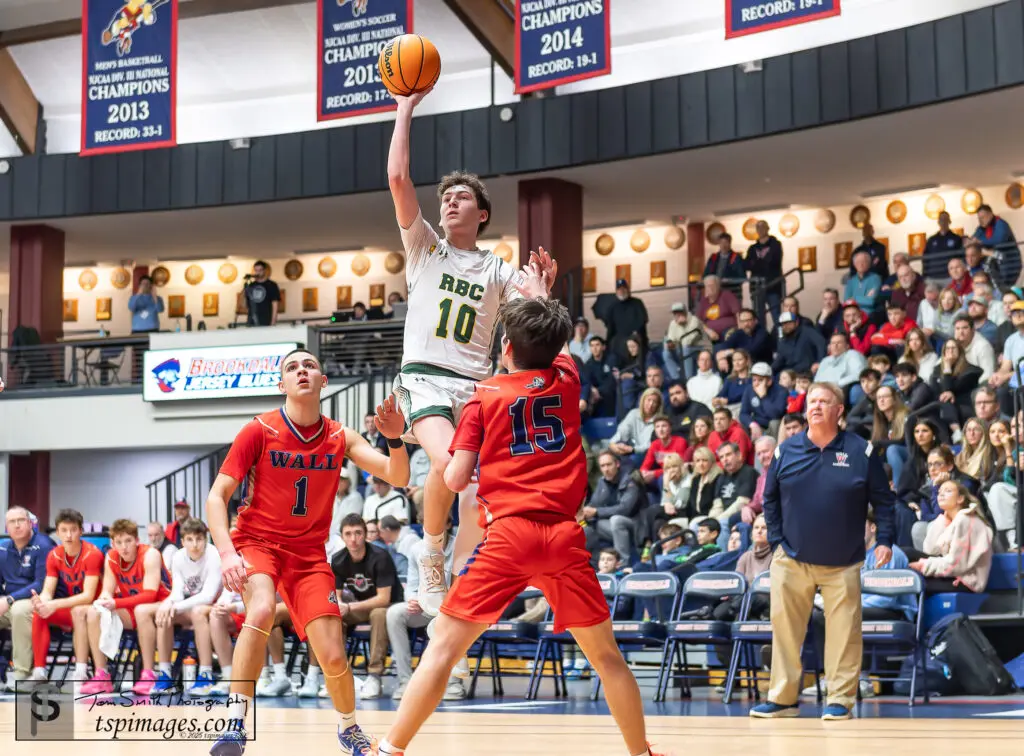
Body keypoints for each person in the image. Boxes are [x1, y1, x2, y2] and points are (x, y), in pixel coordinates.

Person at [375, 271, 668, 756]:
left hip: (510, 535)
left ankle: (390, 749)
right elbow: (559, 351)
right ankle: (641, 751)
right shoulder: (568, 380)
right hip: (564, 536)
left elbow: (453, 479)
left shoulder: (484, 397)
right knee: (606, 657)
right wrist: (541, 294)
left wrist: (421, 437)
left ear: (504, 346)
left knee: (444, 644)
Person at [387, 85, 556, 616]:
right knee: (446, 463)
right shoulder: (424, 248)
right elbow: (397, 178)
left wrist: (543, 293)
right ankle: (431, 555)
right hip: (424, 379)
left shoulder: (497, 269)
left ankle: (453, 561)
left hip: (475, 386)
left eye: (461, 197)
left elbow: (532, 319)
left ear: (482, 214)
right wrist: (405, 107)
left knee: (461, 479)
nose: (449, 202)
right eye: (446, 198)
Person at [205, 349, 410, 756]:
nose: (302, 371)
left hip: (308, 553)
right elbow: (216, 497)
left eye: (310, 365)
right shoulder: (258, 430)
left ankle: (349, 728)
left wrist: (395, 438)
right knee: (261, 609)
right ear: (281, 384)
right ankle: (235, 723)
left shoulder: (339, 436)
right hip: (257, 543)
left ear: (323, 381)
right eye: (292, 367)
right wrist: (228, 554)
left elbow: (398, 475)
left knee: (333, 656)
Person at [752, 382, 895, 721]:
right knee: (784, 630)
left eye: (823, 401)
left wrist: (885, 539)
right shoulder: (786, 451)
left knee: (844, 633)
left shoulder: (861, 451)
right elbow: (768, 498)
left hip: (843, 560)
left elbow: (884, 501)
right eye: (811, 401)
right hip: (791, 558)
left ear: (839, 410)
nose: (815, 406)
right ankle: (783, 698)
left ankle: (840, 700)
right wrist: (776, 541)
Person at [80, 518, 172, 695]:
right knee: (94, 612)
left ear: (137, 541)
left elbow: (150, 594)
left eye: (128, 541)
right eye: (119, 542)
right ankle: (102, 675)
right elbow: (107, 590)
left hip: (161, 605)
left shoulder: (150, 554)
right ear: (113, 544)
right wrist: (105, 598)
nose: (124, 547)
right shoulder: (111, 557)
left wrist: (115, 603)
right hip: (133, 607)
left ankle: (148, 673)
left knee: (141, 610)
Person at [28, 509, 103, 686]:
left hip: (94, 611)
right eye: (64, 530)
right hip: (71, 609)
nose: (68, 535)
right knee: (40, 613)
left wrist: (54, 604)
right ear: (57, 531)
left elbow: (88, 596)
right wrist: (42, 601)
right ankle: (39, 671)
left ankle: (81, 671)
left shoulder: (92, 554)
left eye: (73, 530)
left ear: (81, 531)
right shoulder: (54, 555)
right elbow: (48, 588)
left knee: (78, 611)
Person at [0, 506, 53, 690]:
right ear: (6, 527)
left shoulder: (44, 545)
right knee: (14, 608)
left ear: (30, 523)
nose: (16, 525)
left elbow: (41, 583)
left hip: (38, 602)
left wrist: (9, 599)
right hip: (9, 602)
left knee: (19, 610)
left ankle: (22, 673)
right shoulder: (3, 549)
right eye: (11, 522)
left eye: (20, 521)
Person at [243, 260, 280, 327]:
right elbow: (246, 305)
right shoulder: (251, 286)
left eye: (260, 270)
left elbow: (275, 304)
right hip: (252, 322)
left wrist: (273, 322)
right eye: (256, 270)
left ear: (264, 271)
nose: (258, 272)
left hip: (266, 321)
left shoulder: (271, 285)